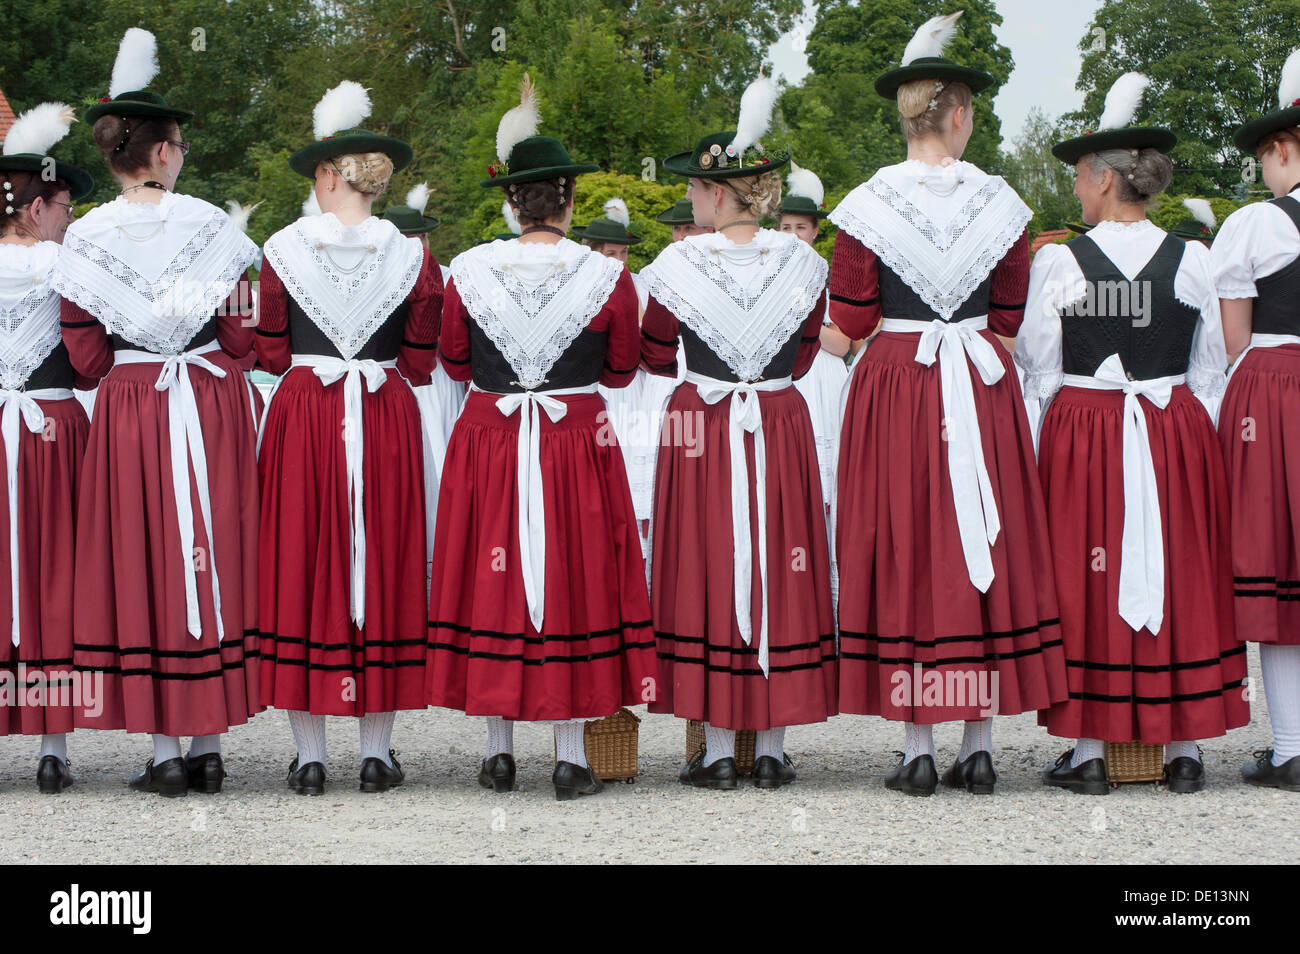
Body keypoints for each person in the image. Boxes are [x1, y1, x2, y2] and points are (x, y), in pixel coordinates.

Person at [828, 12, 1066, 796]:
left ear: (906, 114)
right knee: (982, 547)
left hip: (897, 377)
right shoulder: (1002, 204)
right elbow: (1007, 319)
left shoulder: (866, 205)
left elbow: (856, 317)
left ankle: (917, 746)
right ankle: (982, 742)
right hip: (976, 377)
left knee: (908, 546)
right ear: (958, 113)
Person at [425, 76, 657, 801]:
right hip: (574, 440)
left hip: (490, 435)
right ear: (569, 201)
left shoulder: (469, 270)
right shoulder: (605, 277)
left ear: (513, 200)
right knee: (574, 580)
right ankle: (567, 756)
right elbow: (623, 373)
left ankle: (497, 751)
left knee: (492, 580)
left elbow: (455, 361)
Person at [1020, 73, 1247, 795]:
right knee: (1181, 567)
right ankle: (1185, 749)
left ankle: (1090, 751)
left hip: (1086, 430)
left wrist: (1035, 445)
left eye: (1083, 178)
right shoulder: (1193, 259)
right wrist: (1189, 431)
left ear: (1107, 179)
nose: (1077, 191)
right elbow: (1212, 369)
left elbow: (1039, 368)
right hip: (1172, 425)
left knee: (1084, 575)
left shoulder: (1059, 261)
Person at [52, 28, 262, 796]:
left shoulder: (86, 234)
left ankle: (166, 749)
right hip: (207, 399)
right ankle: (207, 742)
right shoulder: (214, 225)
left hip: (135, 402)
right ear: (165, 151)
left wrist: (129, 371)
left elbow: (83, 351)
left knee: (146, 557)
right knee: (210, 548)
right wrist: (209, 359)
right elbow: (243, 332)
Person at [640, 76, 837, 791]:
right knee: (781, 562)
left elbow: (656, 352)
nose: (691, 197)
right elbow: (812, 348)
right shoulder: (805, 263)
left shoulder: (677, 263)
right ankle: (774, 748)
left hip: (705, 419)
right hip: (779, 418)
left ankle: (720, 748)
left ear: (720, 193)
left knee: (711, 563)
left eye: (696, 187)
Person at [256, 81, 442, 795]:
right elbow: (422, 361)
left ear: (331, 176)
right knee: (386, 558)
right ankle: (377, 753)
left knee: (303, 558)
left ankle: (310, 757)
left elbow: (271, 354)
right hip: (385, 408)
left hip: (307, 410)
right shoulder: (413, 256)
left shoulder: (282, 249)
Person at [0, 102, 94, 792]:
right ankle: (52, 748)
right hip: (56, 434)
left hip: (31, 430)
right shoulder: (72, 270)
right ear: (36, 210)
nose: (68, 219)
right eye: (62, 206)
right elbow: (94, 362)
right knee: (55, 575)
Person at [1213, 48, 1300, 791]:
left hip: (1275, 389)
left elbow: (1233, 340)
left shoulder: (1255, 227)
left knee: (1279, 571)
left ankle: (1291, 747)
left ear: (1281, 152)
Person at [383, 181, 467, 579]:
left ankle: (445, 541)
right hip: (398, 378)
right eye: (406, 239)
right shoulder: (379, 273)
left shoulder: (449, 275)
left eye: (420, 238)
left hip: (442, 381)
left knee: (444, 451)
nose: (416, 247)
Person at [778, 162, 852, 513]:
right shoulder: (766, 277)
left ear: (815, 232)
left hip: (823, 378)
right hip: (784, 377)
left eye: (801, 228)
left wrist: (802, 323)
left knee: (829, 479)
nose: (793, 234)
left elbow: (843, 344)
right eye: (786, 227)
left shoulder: (831, 277)